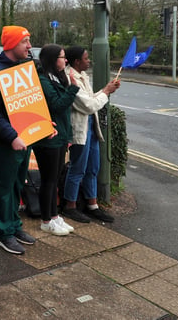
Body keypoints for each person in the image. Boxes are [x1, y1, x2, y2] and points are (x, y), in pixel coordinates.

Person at [0, 26, 37, 255]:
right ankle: (3, 233)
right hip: (7, 142)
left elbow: (31, 104)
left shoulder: (23, 68)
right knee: (3, 188)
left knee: (17, 185)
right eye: (25, 41)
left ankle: (14, 226)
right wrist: (12, 136)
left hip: (23, 140)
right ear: (12, 44)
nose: (29, 46)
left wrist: (45, 124)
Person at [61, 46, 120, 224]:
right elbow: (87, 105)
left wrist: (104, 89)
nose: (89, 61)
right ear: (77, 61)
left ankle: (92, 205)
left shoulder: (82, 76)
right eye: (86, 58)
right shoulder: (71, 78)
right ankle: (70, 206)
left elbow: (91, 99)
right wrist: (107, 92)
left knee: (93, 168)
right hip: (80, 129)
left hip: (91, 128)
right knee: (77, 168)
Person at [33, 44, 79, 236]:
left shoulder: (57, 78)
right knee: (48, 180)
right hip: (47, 139)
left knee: (54, 179)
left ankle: (54, 216)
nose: (65, 60)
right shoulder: (43, 80)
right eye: (62, 57)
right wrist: (73, 89)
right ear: (53, 59)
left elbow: (65, 114)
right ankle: (46, 220)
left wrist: (68, 136)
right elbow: (58, 106)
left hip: (60, 137)